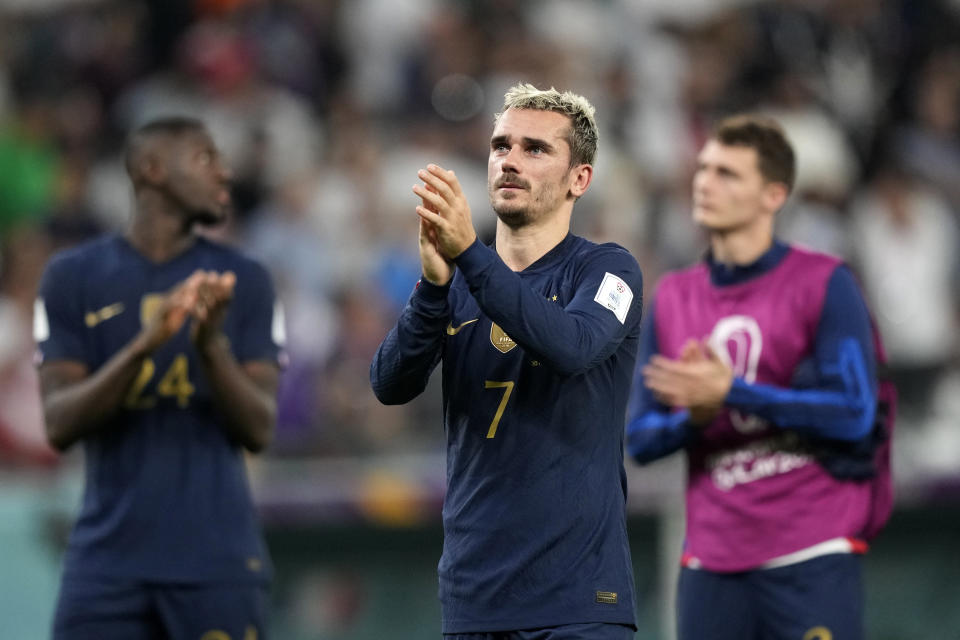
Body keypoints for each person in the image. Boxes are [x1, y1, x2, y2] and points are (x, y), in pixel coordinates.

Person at [370, 83, 644, 638]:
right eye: (501, 146)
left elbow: (572, 346)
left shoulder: (608, 271)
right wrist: (431, 286)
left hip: (577, 600)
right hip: (474, 599)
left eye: (536, 149)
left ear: (579, 179)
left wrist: (470, 254)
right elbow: (389, 385)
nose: (509, 161)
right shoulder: (456, 282)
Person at [625, 114, 895, 640]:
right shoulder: (674, 296)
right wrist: (695, 419)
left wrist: (733, 393)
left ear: (774, 194)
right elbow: (639, 439)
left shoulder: (823, 282)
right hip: (711, 558)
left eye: (727, 173)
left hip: (810, 549)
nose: (704, 182)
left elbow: (854, 414)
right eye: (702, 168)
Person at [34, 116, 284, 640]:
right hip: (106, 564)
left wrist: (209, 343)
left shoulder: (247, 280)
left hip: (217, 566)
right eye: (204, 159)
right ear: (151, 170)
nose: (225, 172)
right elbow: (59, 424)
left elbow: (259, 430)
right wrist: (144, 345)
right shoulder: (71, 277)